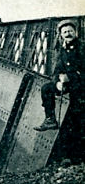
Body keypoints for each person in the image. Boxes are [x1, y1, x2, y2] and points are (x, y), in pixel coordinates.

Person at [34, 20, 84, 159]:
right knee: (47, 88)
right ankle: (50, 119)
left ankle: (73, 157)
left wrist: (70, 77)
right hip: (69, 85)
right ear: (61, 35)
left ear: (75, 33)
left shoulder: (82, 48)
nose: (68, 34)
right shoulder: (62, 50)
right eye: (65, 32)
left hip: (81, 87)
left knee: (74, 121)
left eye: (70, 31)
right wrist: (57, 83)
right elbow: (57, 71)